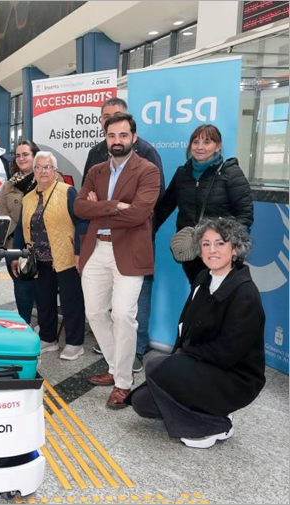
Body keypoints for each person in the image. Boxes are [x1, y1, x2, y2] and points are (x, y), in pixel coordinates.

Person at [127, 218, 265, 449]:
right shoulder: (203, 279)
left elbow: (227, 353)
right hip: (201, 364)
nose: (212, 250)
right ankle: (212, 414)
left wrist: (180, 360)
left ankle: (214, 425)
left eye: (220, 244)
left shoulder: (245, 294)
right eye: (206, 244)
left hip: (234, 378)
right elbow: (186, 328)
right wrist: (177, 361)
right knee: (142, 403)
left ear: (235, 250)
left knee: (155, 367)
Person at [74, 112, 161, 410]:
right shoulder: (97, 170)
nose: (117, 141)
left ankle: (124, 382)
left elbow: (139, 213)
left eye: (123, 135)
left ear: (133, 138)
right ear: (105, 138)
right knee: (95, 311)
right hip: (97, 248)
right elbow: (80, 207)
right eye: (112, 136)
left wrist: (100, 207)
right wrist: (113, 206)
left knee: (123, 315)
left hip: (129, 252)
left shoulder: (147, 170)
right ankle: (114, 368)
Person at [155, 124, 254, 284]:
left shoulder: (231, 173)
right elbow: (162, 210)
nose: (199, 147)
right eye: (195, 142)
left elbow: (245, 214)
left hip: (220, 251)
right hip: (192, 251)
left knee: (221, 298)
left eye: (207, 142)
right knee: (199, 294)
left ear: (218, 146)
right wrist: (144, 233)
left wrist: (230, 245)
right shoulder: (182, 173)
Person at [14, 151, 87, 360]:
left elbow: (82, 222)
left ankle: (74, 343)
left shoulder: (67, 192)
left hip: (65, 258)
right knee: (44, 300)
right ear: (34, 171)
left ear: (55, 171)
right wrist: (15, 257)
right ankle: (48, 338)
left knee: (70, 301)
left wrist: (79, 252)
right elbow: (20, 229)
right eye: (39, 167)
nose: (43, 171)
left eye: (48, 167)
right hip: (39, 260)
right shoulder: (27, 198)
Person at [0, 140, 38, 324]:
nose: (21, 158)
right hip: (14, 244)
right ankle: (24, 323)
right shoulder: (9, 185)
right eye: (18, 155)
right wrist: (18, 234)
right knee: (21, 288)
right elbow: (2, 212)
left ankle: (46, 328)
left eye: (26, 154)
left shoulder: (48, 178)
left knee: (43, 288)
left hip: (42, 243)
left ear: (34, 156)